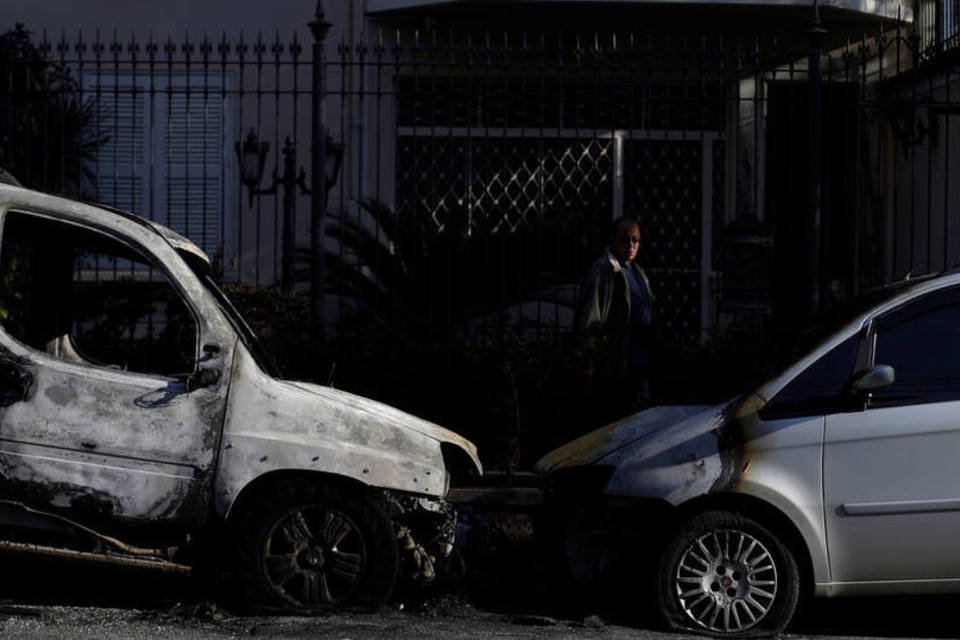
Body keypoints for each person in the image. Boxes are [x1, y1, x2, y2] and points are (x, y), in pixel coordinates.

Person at [574, 215, 655, 415]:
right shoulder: (604, 269)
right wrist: (588, 362)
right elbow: (590, 318)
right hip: (618, 367)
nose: (630, 245)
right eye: (624, 239)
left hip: (640, 363)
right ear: (613, 240)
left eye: (635, 240)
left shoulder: (637, 272)